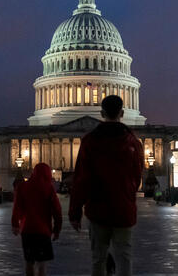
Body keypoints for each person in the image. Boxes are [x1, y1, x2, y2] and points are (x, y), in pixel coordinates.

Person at [69, 95, 143, 276]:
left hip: (98, 208)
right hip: (123, 209)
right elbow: (137, 176)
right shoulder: (133, 142)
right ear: (122, 113)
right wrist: (126, 194)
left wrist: (75, 212)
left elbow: (81, 179)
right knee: (124, 257)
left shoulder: (89, 141)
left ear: (101, 113)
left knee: (98, 258)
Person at [12, 163, 62, 276]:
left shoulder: (23, 187)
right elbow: (57, 211)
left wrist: (15, 224)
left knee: (29, 262)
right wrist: (57, 229)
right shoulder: (49, 188)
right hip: (43, 230)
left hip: (27, 229)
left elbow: (17, 207)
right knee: (42, 263)